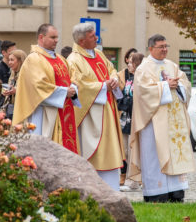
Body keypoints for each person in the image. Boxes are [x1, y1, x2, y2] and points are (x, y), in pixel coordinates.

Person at [127, 34, 195, 203]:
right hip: (153, 123)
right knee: (155, 157)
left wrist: (178, 84)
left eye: (166, 46)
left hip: (174, 122)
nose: (165, 50)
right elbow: (142, 92)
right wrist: (165, 86)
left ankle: (176, 192)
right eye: (161, 47)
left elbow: (185, 84)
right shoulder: (144, 68)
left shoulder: (172, 66)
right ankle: (157, 193)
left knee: (174, 154)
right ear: (151, 49)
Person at [67, 22, 126, 191]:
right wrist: (102, 86)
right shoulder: (74, 60)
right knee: (95, 152)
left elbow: (111, 69)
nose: (97, 38)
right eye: (92, 36)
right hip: (91, 115)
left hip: (108, 110)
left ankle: (112, 188)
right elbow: (79, 85)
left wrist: (114, 79)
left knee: (110, 150)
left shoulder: (99, 54)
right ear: (81, 40)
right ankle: (95, 190)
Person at [12, 24, 79, 154]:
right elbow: (38, 87)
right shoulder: (34, 59)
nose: (56, 40)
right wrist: (65, 92)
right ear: (41, 37)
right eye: (53, 37)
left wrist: (74, 87)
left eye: (57, 37)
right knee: (44, 153)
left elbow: (72, 76)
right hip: (44, 115)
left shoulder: (60, 59)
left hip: (64, 111)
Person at [118, 52, 144, 191]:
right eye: (128, 62)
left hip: (135, 118)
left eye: (132, 62)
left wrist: (128, 101)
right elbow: (123, 95)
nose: (128, 64)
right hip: (125, 118)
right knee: (126, 150)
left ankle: (134, 180)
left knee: (135, 150)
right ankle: (130, 178)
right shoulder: (128, 79)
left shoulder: (141, 79)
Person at [2, 50, 27, 119]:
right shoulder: (13, 74)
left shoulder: (26, 74)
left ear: (20, 61)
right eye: (9, 60)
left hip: (23, 111)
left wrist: (16, 91)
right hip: (12, 110)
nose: (9, 62)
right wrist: (6, 92)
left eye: (12, 60)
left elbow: (31, 93)